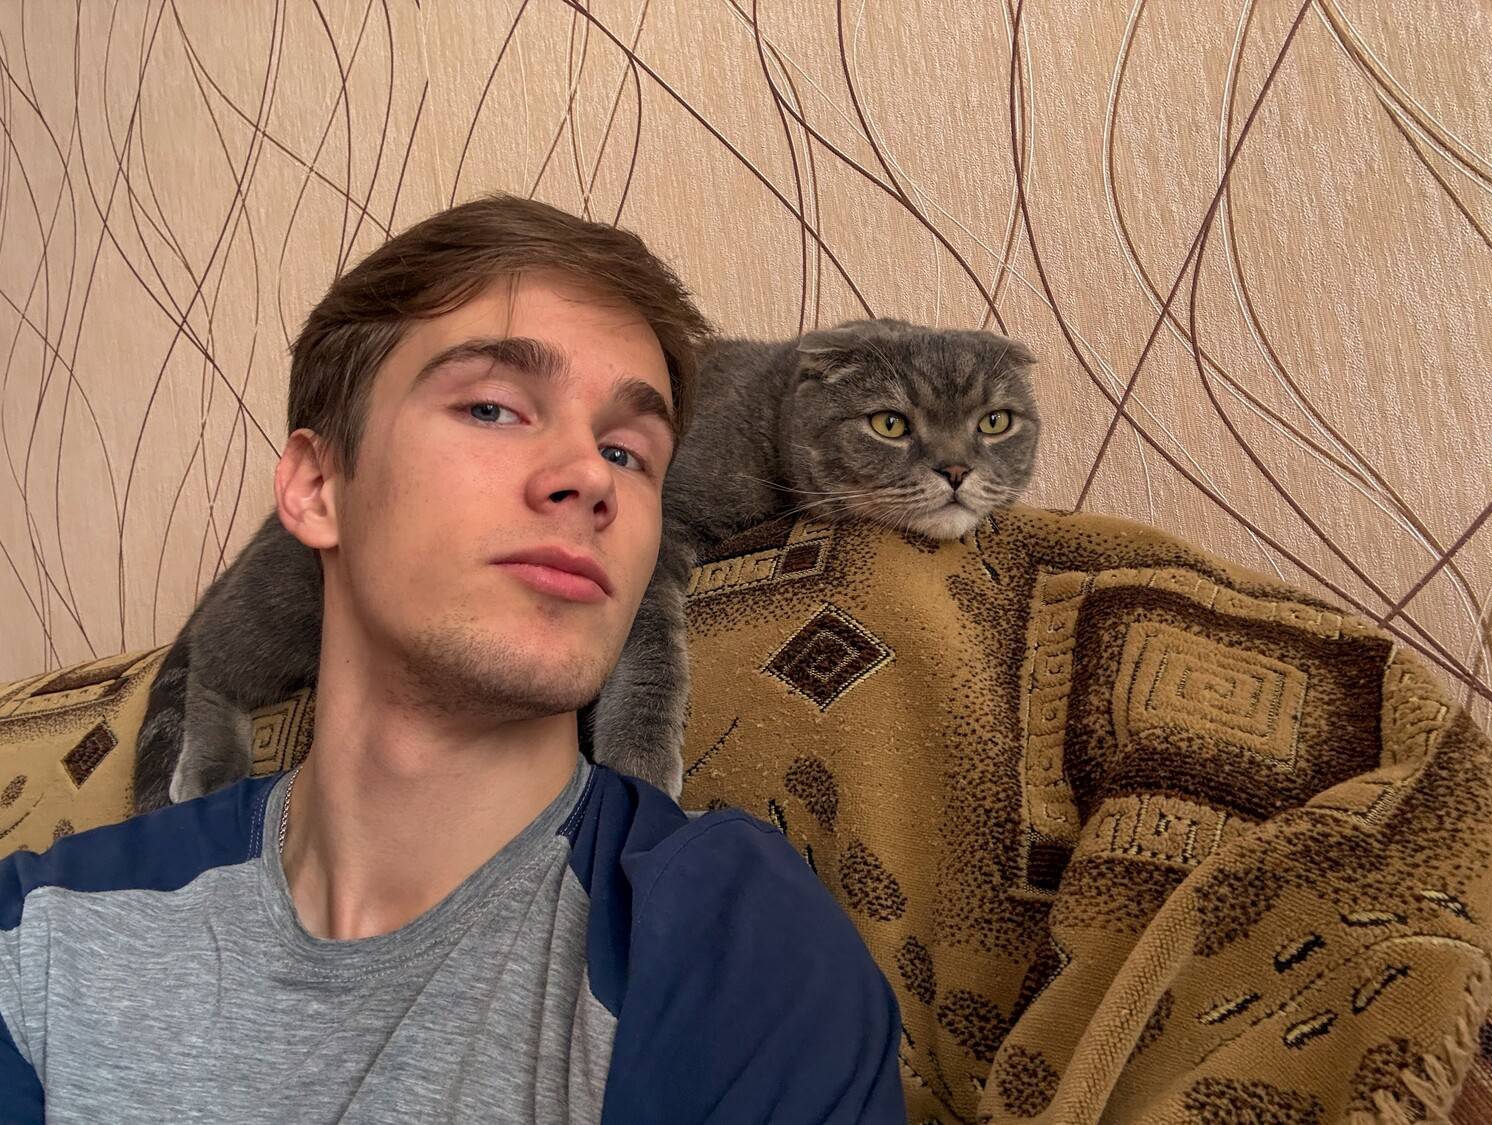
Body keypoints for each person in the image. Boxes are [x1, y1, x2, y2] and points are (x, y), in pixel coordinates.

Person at [0, 195, 906, 1123]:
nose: (589, 476)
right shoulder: (40, 935)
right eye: (493, 407)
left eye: (629, 452)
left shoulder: (738, 943)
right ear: (316, 487)